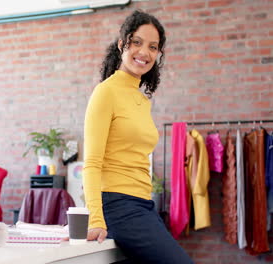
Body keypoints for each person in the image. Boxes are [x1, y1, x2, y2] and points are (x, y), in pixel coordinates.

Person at [83, 10, 193, 263]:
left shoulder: (142, 100)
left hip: (143, 204)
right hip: (118, 205)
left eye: (153, 47)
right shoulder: (106, 92)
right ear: (122, 44)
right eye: (137, 42)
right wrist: (96, 219)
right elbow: (92, 162)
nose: (144, 52)